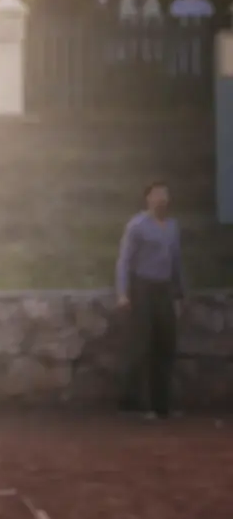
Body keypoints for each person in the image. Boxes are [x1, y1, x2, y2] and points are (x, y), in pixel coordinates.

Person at [116, 180, 184, 420]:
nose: (162, 199)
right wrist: (122, 293)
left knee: (165, 345)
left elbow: (176, 261)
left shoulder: (173, 226)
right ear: (148, 198)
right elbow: (124, 260)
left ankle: (161, 405)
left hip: (164, 288)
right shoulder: (137, 225)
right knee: (140, 345)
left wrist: (179, 294)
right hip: (142, 287)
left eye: (165, 195)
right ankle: (131, 403)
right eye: (157, 195)